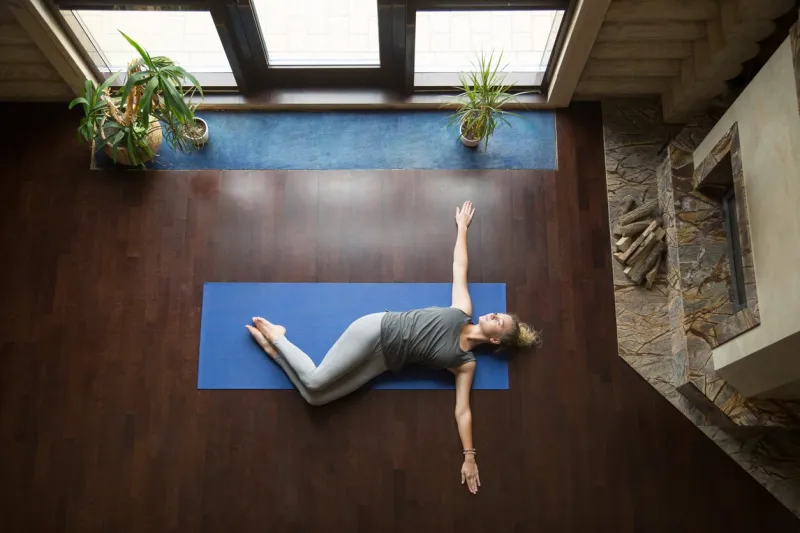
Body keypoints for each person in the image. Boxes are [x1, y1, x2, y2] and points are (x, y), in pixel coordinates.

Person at [246, 201, 540, 494]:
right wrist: (462, 228)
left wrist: (470, 457)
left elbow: (463, 411)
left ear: (495, 340)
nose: (493, 315)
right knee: (314, 380)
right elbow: (459, 266)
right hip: (377, 329)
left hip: (383, 363)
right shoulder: (462, 309)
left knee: (315, 399)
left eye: (498, 322)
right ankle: (278, 337)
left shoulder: (465, 363)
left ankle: (276, 354)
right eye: (499, 314)